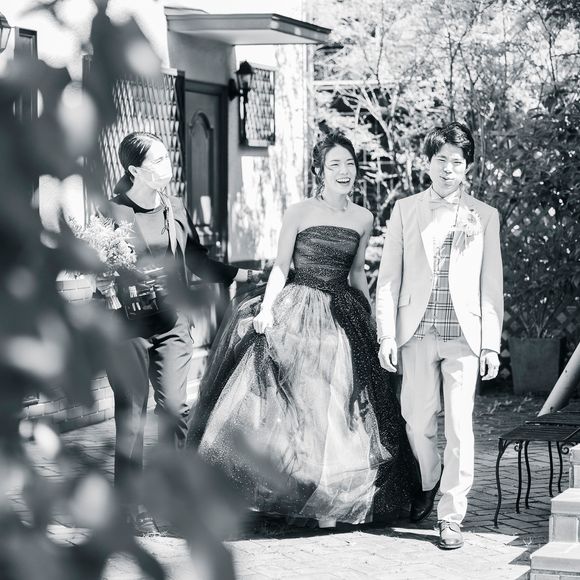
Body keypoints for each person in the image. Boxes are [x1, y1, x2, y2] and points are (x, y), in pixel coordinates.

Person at [187, 130, 418, 527]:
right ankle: (294, 489)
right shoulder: (298, 212)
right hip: (299, 306)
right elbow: (281, 266)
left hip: (342, 311)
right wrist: (268, 309)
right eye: (335, 164)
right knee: (301, 403)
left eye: (349, 164)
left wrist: (370, 316)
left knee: (341, 407)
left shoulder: (363, 217)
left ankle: (329, 498)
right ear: (319, 171)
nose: (344, 171)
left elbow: (357, 271)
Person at [98, 131, 256, 535]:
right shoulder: (112, 212)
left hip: (172, 326)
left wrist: (242, 274)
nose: (167, 166)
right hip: (127, 328)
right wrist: (102, 280)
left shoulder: (175, 208)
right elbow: (97, 266)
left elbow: (198, 260)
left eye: (168, 158)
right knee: (131, 416)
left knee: (174, 409)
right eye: (158, 161)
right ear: (135, 170)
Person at [376, 122, 503, 549]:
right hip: (415, 333)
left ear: (467, 167)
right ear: (428, 162)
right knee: (416, 421)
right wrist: (386, 335)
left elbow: (491, 285)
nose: (449, 169)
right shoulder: (404, 210)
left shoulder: (484, 216)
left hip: (464, 337)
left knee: (460, 428)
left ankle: (451, 515)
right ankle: (430, 478)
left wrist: (490, 344)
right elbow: (389, 278)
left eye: (457, 162)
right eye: (441, 160)